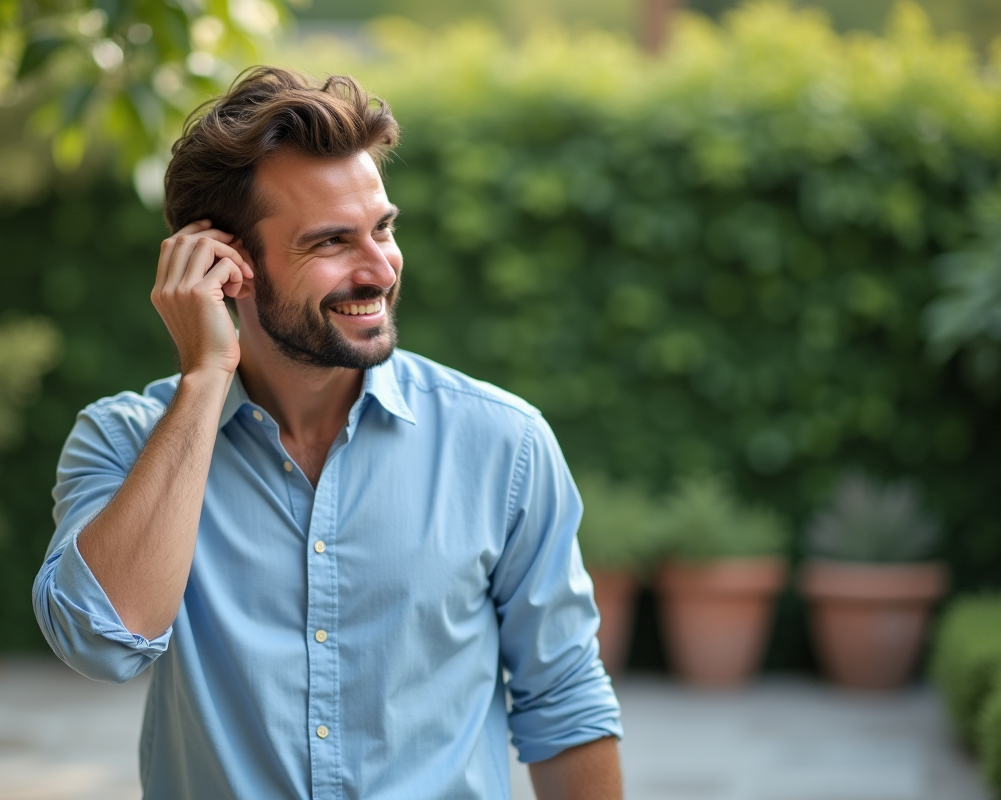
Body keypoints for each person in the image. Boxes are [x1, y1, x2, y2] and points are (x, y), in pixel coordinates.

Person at [33, 66, 623, 800]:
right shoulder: (123, 441)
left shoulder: (503, 445)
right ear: (229, 266)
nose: (379, 269)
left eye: (383, 228)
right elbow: (101, 642)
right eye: (331, 242)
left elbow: (563, 701)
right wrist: (205, 378)